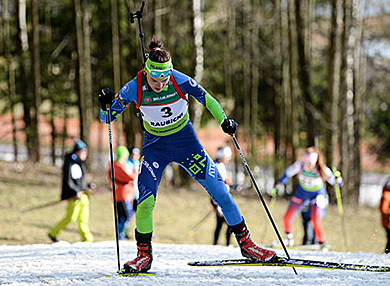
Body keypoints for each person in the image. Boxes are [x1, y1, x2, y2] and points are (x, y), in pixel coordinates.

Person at [98, 36, 276, 273]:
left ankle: (247, 245)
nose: (160, 84)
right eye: (154, 79)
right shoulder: (133, 87)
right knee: (145, 202)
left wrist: (224, 121)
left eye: (164, 79)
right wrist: (104, 105)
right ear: (146, 71)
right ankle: (143, 255)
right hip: (155, 148)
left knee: (221, 193)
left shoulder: (179, 80)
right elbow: (107, 118)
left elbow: (207, 98)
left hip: (186, 144)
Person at [272, 147, 342, 247]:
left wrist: (338, 179)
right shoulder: (299, 166)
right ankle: (288, 239)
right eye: (306, 162)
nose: (308, 166)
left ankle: (322, 243)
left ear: (316, 161)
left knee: (315, 219)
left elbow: (336, 183)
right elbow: (287, 174)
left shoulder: (322, 169)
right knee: (287, 217)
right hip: (302, 193)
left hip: (317, 194)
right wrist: (279, 185)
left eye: (310, 163)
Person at [49, 139, 94, 243]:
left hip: (84, 196)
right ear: (77, 152)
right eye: (83, 152)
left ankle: (88, 240)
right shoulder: (70, 163)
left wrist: (88, 185)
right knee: (71, 218)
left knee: (84, 219)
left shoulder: (81, 163)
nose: (85, 154)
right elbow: (68, 180)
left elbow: (80, 179)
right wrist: (75, 191)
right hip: (75, 197)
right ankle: (53, 233)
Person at [108, 146, 139, 240]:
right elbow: (130, 177)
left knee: (124, 215)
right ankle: (121, 235)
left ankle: (123, 234)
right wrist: (135, 171)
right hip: (124, 194)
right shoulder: (118, 165)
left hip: (124, 193)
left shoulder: (116, 165)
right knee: (125, 215)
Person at [211, 146, 233, 246]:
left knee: (220, 224)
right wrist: (214, 203)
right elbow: (216, 184)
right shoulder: (216, 166)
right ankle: (226, 244)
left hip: (222, 197)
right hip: (218, 199)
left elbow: (226, 181)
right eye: (227, 157)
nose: (228, 159)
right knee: (229, 223)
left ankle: (217, 244)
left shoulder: (221, 165)